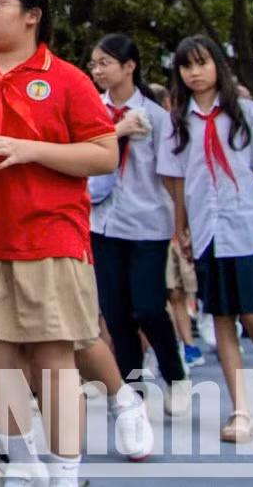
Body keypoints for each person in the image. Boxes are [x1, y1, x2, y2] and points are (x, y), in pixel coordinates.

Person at [0, 0, 116, 487]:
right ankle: (21, 460)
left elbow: (104, 154)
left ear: (32, 15)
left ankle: (65, 469)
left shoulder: (67, 79)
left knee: (53, 356)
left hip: (49, 237)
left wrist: (29, 149)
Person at [158, 36, 253, 444]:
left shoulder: (245, 111)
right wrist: (180, 226)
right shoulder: (178, 118)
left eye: (201, 63)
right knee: (220, 318)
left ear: (217, 64)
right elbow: (178, 178)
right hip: (206, 231)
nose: (194, 72)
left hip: (247, 225)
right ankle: (241, 411)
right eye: (186, 66)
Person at [85, 34, 188, 418]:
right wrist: (117, 131)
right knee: (115, 312)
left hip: (147, 223)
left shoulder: (158, 117)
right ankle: (133, 389)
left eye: (105, 63)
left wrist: (181, 224)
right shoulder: (92, 109)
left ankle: (176, 376)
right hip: (103, 222)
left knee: (147, 307)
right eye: (94, 64)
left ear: (129, 66)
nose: (98, 71)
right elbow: (83, 150)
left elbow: (172, 175)